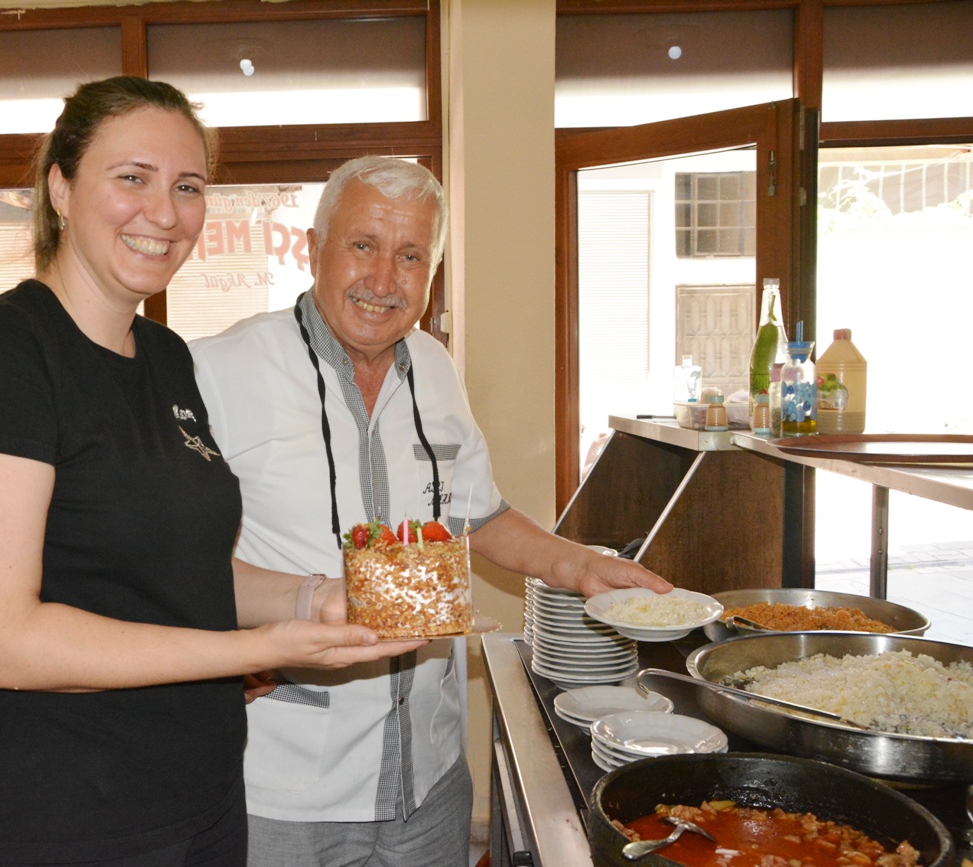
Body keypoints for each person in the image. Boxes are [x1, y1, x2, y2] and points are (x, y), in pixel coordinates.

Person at [0, 79, 424, 867]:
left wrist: (314, 598)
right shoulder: (1, 356)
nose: (166, 213)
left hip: (197, 797)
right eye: (132, 178)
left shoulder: (167, 358)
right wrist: (254, 649)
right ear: (61, 187)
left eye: (188, 187)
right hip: (58, 818)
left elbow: (186, 570)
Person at [189, 155, 673, 867]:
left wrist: (581, 565)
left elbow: (479, 516)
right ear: (316, 246)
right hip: (284, 791)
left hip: (432, 779)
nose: (384, 280)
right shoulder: (219, 370)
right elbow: (174, 555)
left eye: (411, 255)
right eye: (363, 246)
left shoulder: (437, 368)